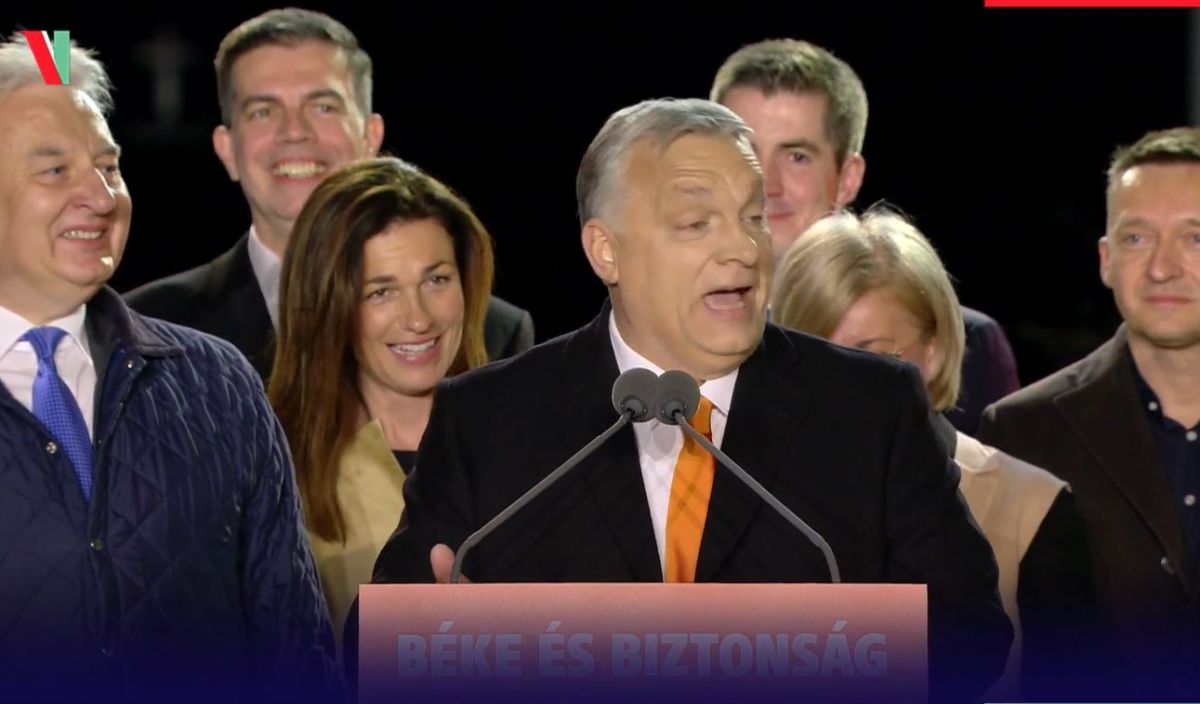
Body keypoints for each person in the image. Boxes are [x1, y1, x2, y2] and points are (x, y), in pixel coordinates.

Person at [370, 97, 1012, 701]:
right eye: (696, 223)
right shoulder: (488, 420)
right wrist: (442, 644)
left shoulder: (871, 407)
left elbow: (972, 632)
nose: (742, 249)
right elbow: (371, 647)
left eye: (753, 218)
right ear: (606, 251)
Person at [0, 32, 336, 702]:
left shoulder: (217, 384)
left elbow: (294, 644)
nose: (101, 197)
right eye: (55, 171)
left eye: (109, 167)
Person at [772, 206, 1098, 700]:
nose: (841, 383)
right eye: (817, 354)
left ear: (935, 349)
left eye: (870, 356)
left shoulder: (1028, 510)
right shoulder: (740, 496)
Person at [124, 8, 532, 380]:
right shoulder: (147, 326)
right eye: (263, 111)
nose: (294, 132)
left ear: (371, 137)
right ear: (227, 150)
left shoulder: (491, 332)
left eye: (323, 108)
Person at [979, 126, 1200, 700]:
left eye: (1194, 238)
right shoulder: (1023, 432)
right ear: (1106, 260)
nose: (1162, 267)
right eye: (1136, 238)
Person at [711, 38, 1018, 434]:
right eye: (745, 154)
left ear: (848, 179)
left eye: (797, 157)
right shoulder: (667, 337)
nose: (766, 184)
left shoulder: (967, 345)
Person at [269, 156, 494, 654]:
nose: (418, 319)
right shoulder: (274, 464)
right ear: (330, 305)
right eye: (381, 292)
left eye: (436, 280)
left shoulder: (528, 435)